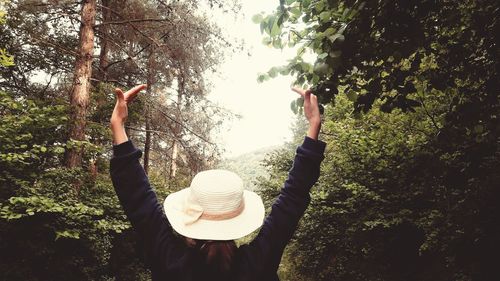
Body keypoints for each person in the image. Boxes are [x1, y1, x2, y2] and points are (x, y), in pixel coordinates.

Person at [109, 84, 326, 281]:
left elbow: (139, 202)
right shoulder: (257, 264)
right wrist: (314, 124)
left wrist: (118, 125)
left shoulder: (171, 263)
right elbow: (292, 200)